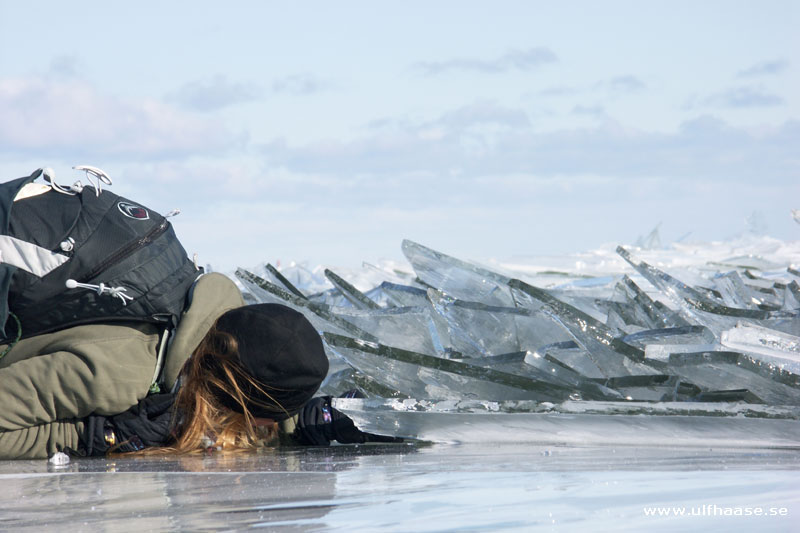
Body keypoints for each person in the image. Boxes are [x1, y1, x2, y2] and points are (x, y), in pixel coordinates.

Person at [0, 273, 399, 459]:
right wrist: (93, 436)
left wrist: (308, 423)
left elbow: (240, 407)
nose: (263, 428)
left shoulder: (213, 329)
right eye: (263, 417)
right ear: (232, 392)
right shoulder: (117, 372)